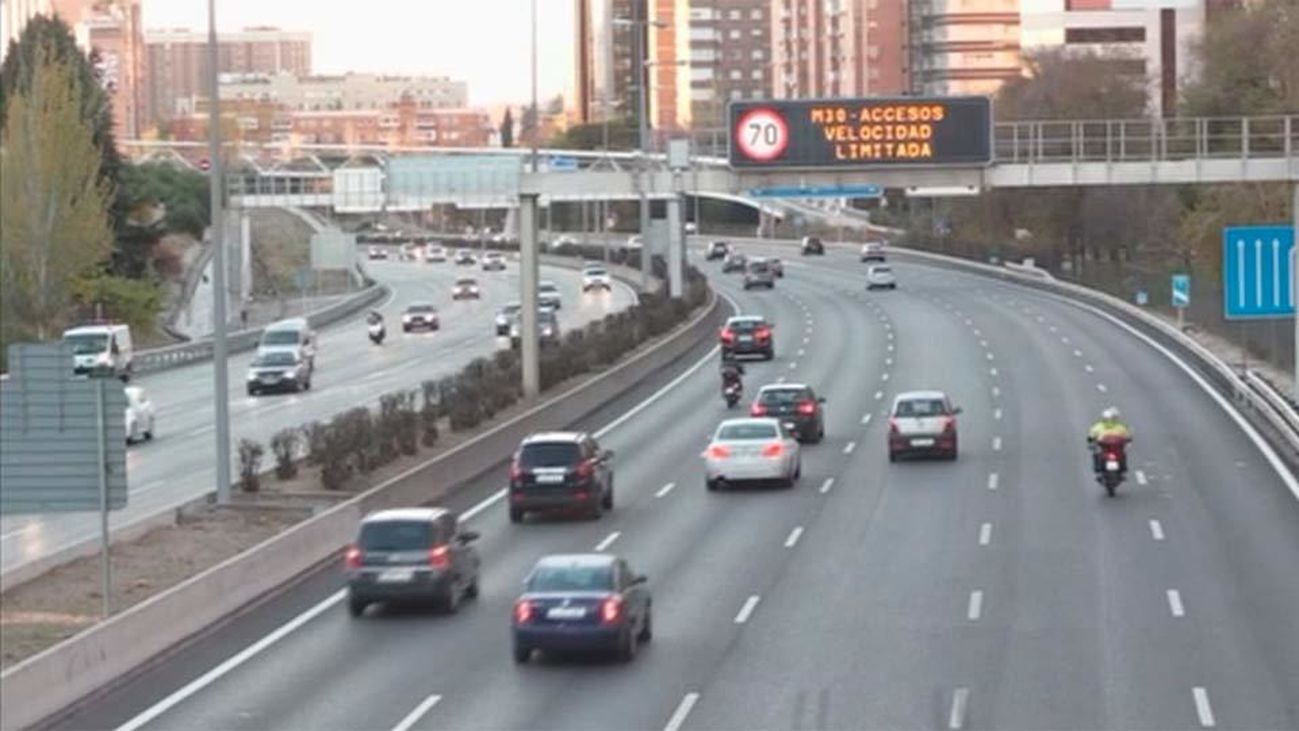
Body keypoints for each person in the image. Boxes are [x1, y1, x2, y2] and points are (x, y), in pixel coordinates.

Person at [1087, 407, 1132, 473]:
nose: (1109, 421)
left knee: (1122, 454)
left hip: (1114, 448)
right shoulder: (1119, 426)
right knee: (1097, 453)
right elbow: (1127, 435)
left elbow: (1127, 435)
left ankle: (1122, 466)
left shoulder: (1118, 426)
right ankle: (1099, 467)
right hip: (1106, 448)